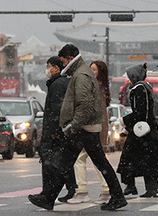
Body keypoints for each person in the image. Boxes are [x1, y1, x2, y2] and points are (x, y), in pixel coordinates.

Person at [28, 44, 127, 211]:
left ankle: (49, 197)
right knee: (79, 162)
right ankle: (117, 195)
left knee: (68, 163)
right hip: (87, 126)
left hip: (83, 128)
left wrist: (74, 126)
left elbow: (85, 104)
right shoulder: (81, 72)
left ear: (70, 59)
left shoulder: (80, 75)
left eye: (63, 61)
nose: (62, 64)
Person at [117, 63, 158, 197]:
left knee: (129, 157)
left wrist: (125, 121)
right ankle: (150, 187)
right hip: (146, 129)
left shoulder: (139, 88)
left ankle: (131, 185)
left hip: (142, 130)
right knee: (147, 159)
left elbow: (140, 111)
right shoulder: (145, 87)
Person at [32, 56, 76, 203]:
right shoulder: (63, 82)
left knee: (51, 163)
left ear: (56, 67)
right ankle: (67, 189)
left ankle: (47, 194)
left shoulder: (57, 84)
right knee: (63, 162)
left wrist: (54, 132)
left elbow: (56, 111)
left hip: (54, 131)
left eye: (49, 66)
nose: (48, 69)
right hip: (61, 129)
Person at [67, 61, 111, 204]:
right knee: (96, 160)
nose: (90, 72)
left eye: (94, 69)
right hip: (95, 128)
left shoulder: (95, 87)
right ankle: (105, 189)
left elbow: (95, 111)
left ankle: (85, 191)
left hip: (93, 129)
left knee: (87, 159)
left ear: (100, 72)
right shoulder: (101, 87)